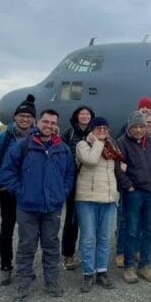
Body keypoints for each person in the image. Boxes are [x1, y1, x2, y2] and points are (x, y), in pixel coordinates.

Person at [0, 109, 75, 302]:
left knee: (51, 246)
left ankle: (51, 281)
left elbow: (70, 174)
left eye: (53, 123)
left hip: (52, 207)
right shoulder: (22, 145)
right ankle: (24, 282)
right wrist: (20, 191)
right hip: (27, 207)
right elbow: (7, 172)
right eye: (45, 122)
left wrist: (62, 192)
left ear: (56, 125)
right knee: (26, 246)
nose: (49, 126)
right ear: (38, 122)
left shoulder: (62, 148)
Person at [0, 94, 36, 286]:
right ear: (15, 117)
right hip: (9, 193)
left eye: (29, 116)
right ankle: (6, 266)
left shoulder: (38, 138)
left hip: (29, 193)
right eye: (21, 116)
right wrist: (2, 184)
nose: (25, 119)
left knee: (28, 233)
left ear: (34, 119)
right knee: (7, 230)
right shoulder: (4, 138)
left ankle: (26, 267)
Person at [74, 116, 124, 292]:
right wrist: (97, 142)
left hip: (108, 198)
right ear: (92, 130)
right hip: (87, 198)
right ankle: (88, 273)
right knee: (88, 238)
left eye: (105, 128)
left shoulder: (112, 146)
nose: (102, 131)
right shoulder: (83, 145)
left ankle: (102, 272)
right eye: (98, 128)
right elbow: (91, 160)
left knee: (104, 238)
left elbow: (117, 166)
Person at [117, 111, 151, 283]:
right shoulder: (122, 143)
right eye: (135, 127)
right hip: (134, 192)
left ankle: (144, 265)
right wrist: (128, 186)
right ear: (129, 128)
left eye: (141, 126)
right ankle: (129, 266)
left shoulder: (150, 142)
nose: (138, 130)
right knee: (131, 230)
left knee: (149, 230)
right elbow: (118, 168)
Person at [60, 105, 96, 271]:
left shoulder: (95, 133)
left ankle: (87, 253)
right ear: (76, 116)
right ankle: (68, 254)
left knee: (90, 221)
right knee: (72, 220)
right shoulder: (68, 133)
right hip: (74, 182)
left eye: (87, 114)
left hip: (90, 182)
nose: (84, 116)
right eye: (82, 113)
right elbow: (62, 154)